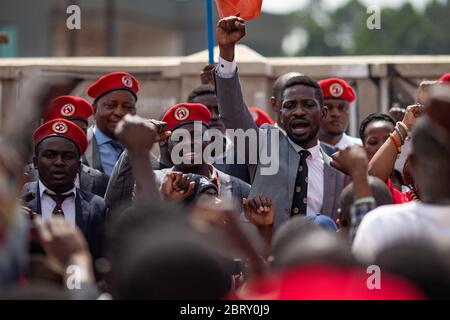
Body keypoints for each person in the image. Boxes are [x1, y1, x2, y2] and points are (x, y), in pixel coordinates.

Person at [214, 16, 346, 226]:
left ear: (323, 112)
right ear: (279, 111)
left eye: (308, 105)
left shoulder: (338, 162)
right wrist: (227, 51)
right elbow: (232, 113)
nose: (299, 112)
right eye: (290, 106)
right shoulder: (263, 145)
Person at [353, 116, 450, 263]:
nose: (444, 168)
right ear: (413, 165)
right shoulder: (384, 222)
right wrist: (404, 126)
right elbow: (375, 179)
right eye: (436, 157)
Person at [22, 119, 108, 260]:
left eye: (68, 156)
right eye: (50, 155)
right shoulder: (17, 202)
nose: (59, 162)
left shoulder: (97, 207)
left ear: (79, 165)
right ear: (36, 162)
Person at [25, 95, 109, 197]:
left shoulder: (99, 181)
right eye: (66, 132)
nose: (75, 139)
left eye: (81, 133)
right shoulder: (22, 177)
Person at [83, 72, 147, 176]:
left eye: (128, 107)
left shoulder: (141, 149)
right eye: (110, 105)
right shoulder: (80, 147)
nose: (119, 113)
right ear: (94, 111)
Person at [188, 84, 251, 183]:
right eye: (206, 111)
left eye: (219, 110)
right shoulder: (181, 157)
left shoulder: (245, 155)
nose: (214, 116)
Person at [318, 78, 362, 151]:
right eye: (328, 107)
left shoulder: (363, 150)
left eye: (342, 108)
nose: (336, 114)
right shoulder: (302, 152)